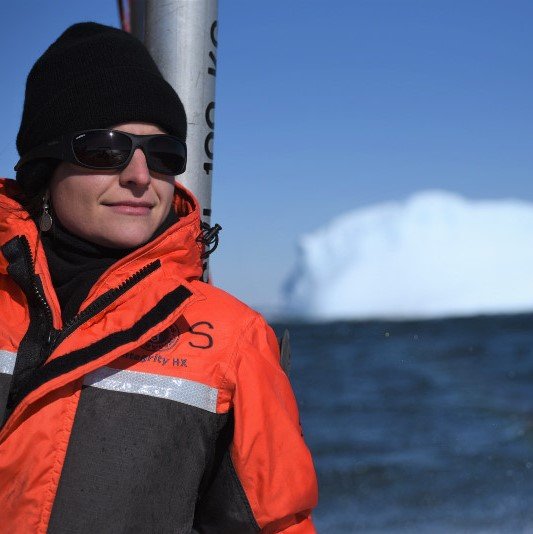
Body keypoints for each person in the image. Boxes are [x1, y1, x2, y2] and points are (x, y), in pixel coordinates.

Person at [0, 22, 317, 533]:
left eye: (165, 155)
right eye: (106, 150)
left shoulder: (233, 342)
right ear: (44, 166)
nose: (140, 176)